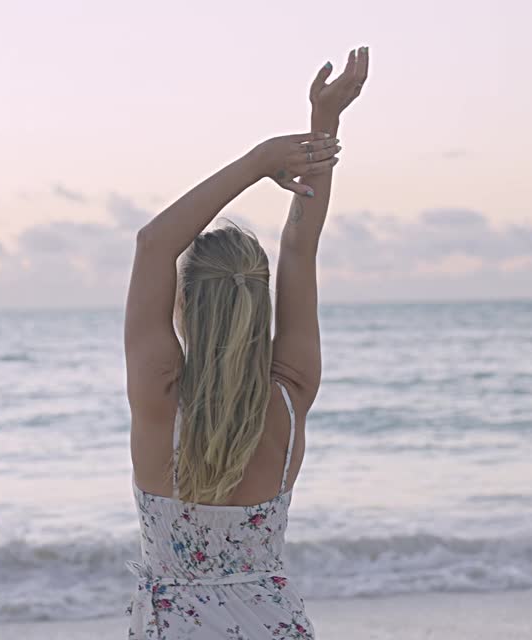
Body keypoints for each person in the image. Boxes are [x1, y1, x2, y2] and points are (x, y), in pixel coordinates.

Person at [124, 47, 370, 638]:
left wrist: (261, 161)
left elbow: (154, 242)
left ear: (182, 302)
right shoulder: (290, 393)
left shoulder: (160, 394)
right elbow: (301, 246)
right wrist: (323, 130)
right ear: (261, 305)